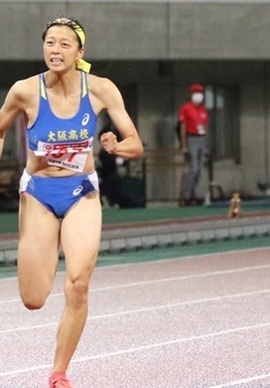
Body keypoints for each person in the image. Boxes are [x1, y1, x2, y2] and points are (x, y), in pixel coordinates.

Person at [0, 17, 143, 388]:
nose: (56, 50)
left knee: (78, 283)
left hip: (82, 192)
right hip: (39, 194)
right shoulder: (24, 92)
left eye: (65, 44)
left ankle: (59, 373)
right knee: (33, 298)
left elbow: (135, 143)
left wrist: (116, 146)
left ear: (80, 53)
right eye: (50, 43)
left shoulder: (100, 89)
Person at [178, 83, 209, 206]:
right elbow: (183, 127)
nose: (198, 95)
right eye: (196, 93)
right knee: (193, 168)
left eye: (200, 93)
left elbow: (205, 127)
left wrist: (206, 145)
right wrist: (184, 144)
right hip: (191, 138)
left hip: (201, 138)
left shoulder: (203, 110)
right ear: (191, 95)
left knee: (199, 170)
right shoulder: (186, 108)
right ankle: (185, 196)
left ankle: (193, 195)